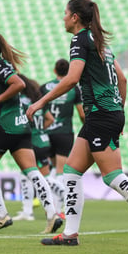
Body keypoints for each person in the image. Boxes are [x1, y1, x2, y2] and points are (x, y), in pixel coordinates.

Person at [26, 0, 128, 246]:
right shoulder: (101, 43)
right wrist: (119, 111)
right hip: (106, 114)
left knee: (112, 176)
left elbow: (72, 78)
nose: (63, 17)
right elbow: (123, 80)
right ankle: (70, 234)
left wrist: (41, 101)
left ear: (75, 17)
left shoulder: (80, 39)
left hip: (101, 115)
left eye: (65, 13)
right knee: (71, 172)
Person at [0, 32, 63, 233]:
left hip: (4, 127)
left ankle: (1, 215)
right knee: (33, 171)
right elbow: (10, 90)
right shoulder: (3, 65)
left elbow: (19, 85)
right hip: (21, 127)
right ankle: (51, 214)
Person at [13, 74, 66, 221]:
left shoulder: (22, 102)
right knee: (26, 176)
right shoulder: (39, 102)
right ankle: (27, 211)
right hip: (43, 140)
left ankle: (66, 196)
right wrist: (41, 129)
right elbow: (50, 119)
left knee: (40, 178)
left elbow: (20, 121)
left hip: (32, 142)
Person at [40, 58, 85, 213]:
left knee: (51, 168)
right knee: (61, 170)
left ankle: (51, 204)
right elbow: (81, 113)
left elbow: (40, 109)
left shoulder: (45, 87)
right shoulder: (74, 89)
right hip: (64, 133)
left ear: (54, 70)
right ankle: (59, 208)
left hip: (47, 132)